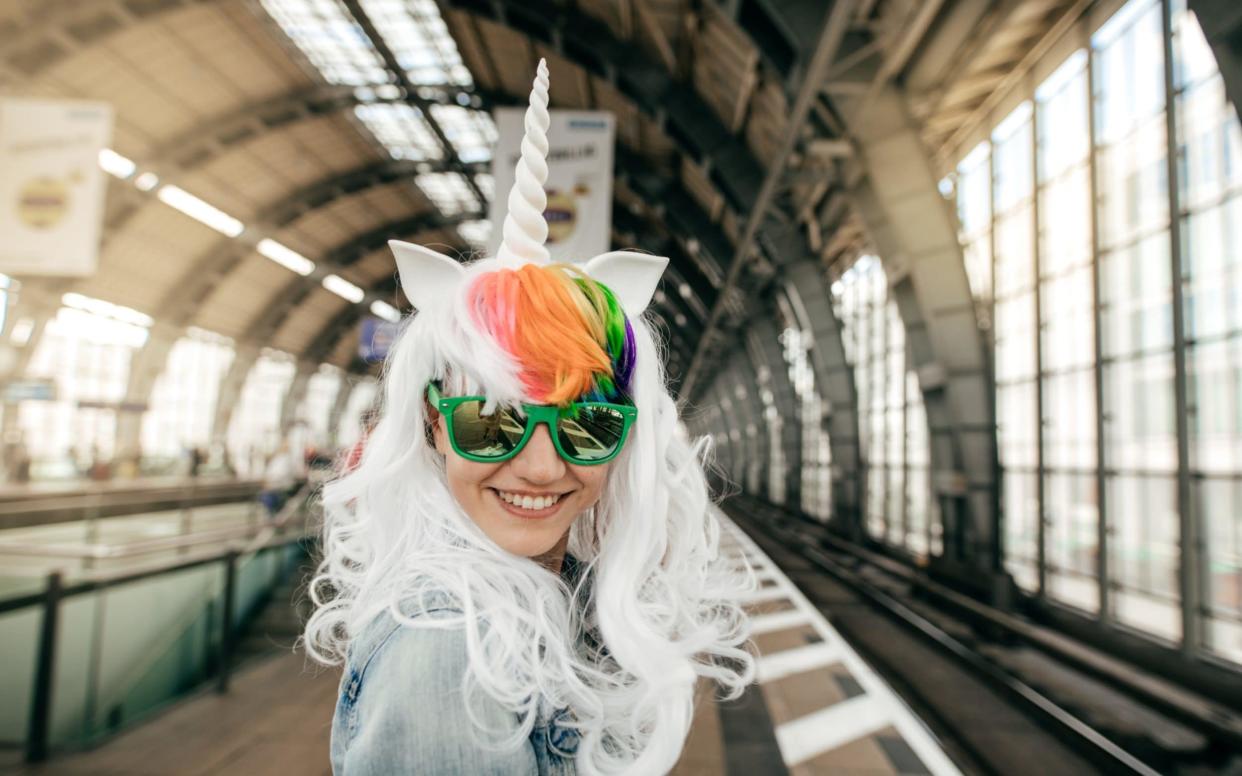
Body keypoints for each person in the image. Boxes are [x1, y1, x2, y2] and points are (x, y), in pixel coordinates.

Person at [305, 59, 753, 776]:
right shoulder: (448, 650)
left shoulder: (558, 589)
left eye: (589, 425)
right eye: (491, 420)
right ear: (432, 423)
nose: (542, 468)